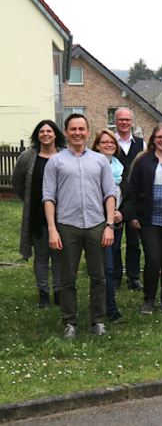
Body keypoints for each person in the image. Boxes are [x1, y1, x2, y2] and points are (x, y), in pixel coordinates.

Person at [42, 114, 116, 338]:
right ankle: (70, 323)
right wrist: (53, 229)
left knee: (99, 276)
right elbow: (48, 197)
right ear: (66, 132)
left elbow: (110, 194)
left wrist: (110, 225)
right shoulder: (56, 161)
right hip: (67, 226)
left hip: (96, 224)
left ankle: (97, 322)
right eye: (73, 129)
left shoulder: (100, 160)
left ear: (87, 131)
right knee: (67, 278)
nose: (77, 133)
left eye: (81, 129)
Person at [128, 123, 162, 314]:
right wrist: (132, 215)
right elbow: (132, 189)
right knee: (152, 259)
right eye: (160, 137)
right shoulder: (143, 160)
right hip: (148, 218)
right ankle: (149, 299)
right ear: (153, 139)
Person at [12, 120, 65, 309]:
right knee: (42, 255)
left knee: (59, 255)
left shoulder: (64, 155)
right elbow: (17, 181)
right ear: (37, 135)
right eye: (42, 131)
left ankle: (59, 292)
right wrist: (29, 199)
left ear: (55, 134)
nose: (45, 134)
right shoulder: (28, 157)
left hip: (63, 213)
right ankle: (43, 293)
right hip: (37, 214)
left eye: (49, 131)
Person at [90, 129, 130, 324]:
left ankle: (104, 305)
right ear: (96, 145)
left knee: (110, 265)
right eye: (104, 142)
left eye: (112, 142)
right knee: (105, 267)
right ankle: (110, 310)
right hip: (97, 224)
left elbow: (128, 195)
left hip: (116, 224)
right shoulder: (92, 166)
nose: (109, 145)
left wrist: (121, 212)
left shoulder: (120, 168)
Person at [113, 108, 144, 291]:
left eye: (127, 120)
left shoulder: (141, 144)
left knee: (134, 241)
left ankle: (133, 277)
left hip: (134, 198)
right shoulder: (110, 142)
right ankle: (116, 275)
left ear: (132, 122)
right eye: (121, 120)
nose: (124, 123)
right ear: (115, 122)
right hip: (115, 198)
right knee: (115, 240)